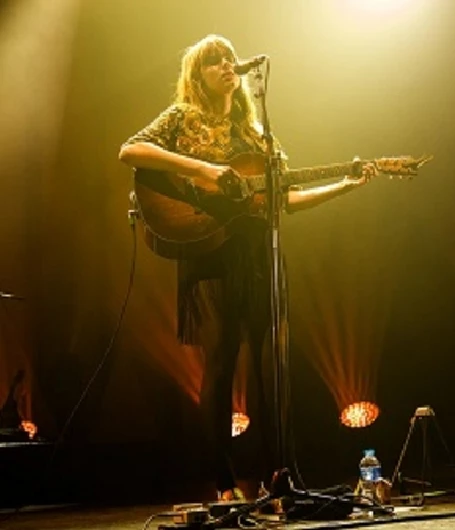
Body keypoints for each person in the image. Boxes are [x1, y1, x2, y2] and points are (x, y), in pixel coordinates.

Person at [118, 34, 377, 501]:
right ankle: (221, 480)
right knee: (220, 362)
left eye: (229, 60)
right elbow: (130, 151)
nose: (226, 66)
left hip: (256, 255)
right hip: (209, 251)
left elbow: (285, 200)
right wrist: (202, 171)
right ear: (197, 75)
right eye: (214, 61)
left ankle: (276, 478)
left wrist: (345, 184)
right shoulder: (182, 117)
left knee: (269, 366)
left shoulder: (257, 136)